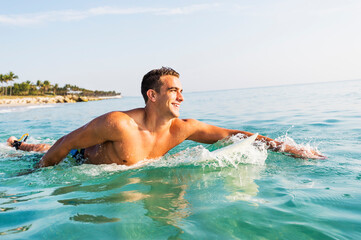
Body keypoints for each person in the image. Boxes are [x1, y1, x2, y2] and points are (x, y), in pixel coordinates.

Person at [7, 67, 325, 167]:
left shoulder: (182, 129)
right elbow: (65, 143)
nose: (181, 97)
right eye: (174, 90)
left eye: (181, 90)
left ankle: (26, 145)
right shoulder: (118, 123)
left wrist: (288, 147)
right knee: (47, 149)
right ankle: (21, 146)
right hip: (79, 159)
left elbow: (234, 135)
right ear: (152, 95)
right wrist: (35, 177)